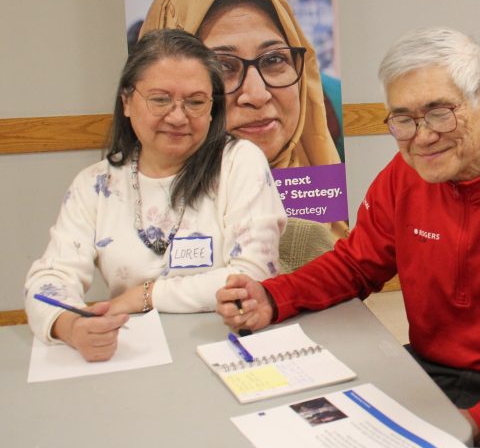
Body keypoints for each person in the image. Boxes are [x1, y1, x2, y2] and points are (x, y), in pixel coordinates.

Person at [215, 28, 480, 448]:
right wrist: (273, 296)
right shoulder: (405, 175)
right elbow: (356, 265)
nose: (422, 137)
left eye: (440, 113)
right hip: (429, 373)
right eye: (402, 119)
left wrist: (476, 423)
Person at [25, 30, 286, 362]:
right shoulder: (94, 184)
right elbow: (48, 280)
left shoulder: (239, 162)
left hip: (226, 345)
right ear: (127, 102)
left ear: (212, 109)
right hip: (133, 353)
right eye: (160, 99)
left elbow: (250, 278)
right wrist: (71, 326)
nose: (178, 117)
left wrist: (143, 296)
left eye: (195, 102)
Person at [139, 0, 342, 170]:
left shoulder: (325, 190)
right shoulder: (124, 197)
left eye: (273, 59)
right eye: (223, 66)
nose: (257, 95)